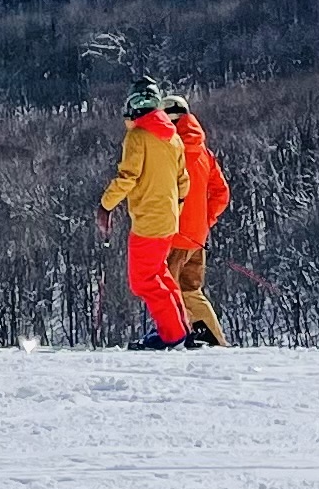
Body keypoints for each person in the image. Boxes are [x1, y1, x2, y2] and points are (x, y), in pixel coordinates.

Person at [95, 75, 192, 347]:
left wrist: (106, 205)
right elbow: (183, 180)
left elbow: (128, 176)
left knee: (143, 280)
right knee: (159, 272)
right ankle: (179, 327)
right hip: (168, 217)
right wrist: (177, 206)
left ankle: (171, 334)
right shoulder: (172, 137)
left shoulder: (138, 137)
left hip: (149, 220)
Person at [160, 90, 232, 346]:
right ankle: (214, 340)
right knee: (191, 290)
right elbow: (221, 194)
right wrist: (204, 221)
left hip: (172, 234)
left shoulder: (169, 150)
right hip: (197, 237)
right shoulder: (204, 152)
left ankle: (178, 336)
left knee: (166, 290)